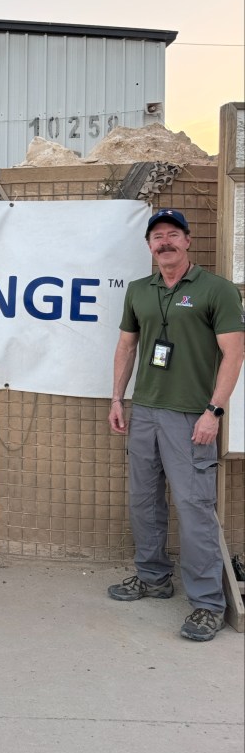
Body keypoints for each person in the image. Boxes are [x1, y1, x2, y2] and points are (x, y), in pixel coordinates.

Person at [108, 209, 244, 641]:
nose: (164, 242)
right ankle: (152, 578)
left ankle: (207, 603)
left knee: (194, 509)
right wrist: (118, 398)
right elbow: (127, 346)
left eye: (172, 235)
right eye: (157, 237)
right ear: (149, 246)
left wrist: (214, 411)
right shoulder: (138, 291)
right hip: (144, 411)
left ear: (188, 241)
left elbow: (234, 354)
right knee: (144, 502)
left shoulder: (217, 290)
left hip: (191, 415)